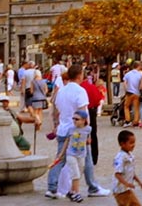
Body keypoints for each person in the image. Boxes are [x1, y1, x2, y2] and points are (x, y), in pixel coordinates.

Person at [45, 64, 105, 199]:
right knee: (87, 158)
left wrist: (55, 125)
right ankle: (92, 187)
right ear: (80, 75)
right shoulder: (80, 91)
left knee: (60, 158)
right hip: (77, 130)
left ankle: (52, 187)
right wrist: (87, 131)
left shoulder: (61, 91)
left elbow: (56, 110)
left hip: (63, 128)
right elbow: (83, 112)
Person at [50, 109, 93, 203]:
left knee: (79, 172)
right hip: (71, 154)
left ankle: (71, 191)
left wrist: (88, 142)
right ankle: (76, 193)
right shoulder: (71, 129)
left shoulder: (88, 129)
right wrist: (61, 154)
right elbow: (67, 141)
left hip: (81, 154)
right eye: (73, 119)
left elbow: (88, 139)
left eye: (77, 119)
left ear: (84, 120)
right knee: (75, 174)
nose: (74, 121)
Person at [112, 129, 142, 206]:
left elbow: (132, 172)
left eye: (134, 142)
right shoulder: (120, 158)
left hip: (126, 189)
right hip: (121, 191)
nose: (133, 145)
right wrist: (126, 183)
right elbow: (117, 174)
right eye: (131, 143)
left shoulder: (130, 156)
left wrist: (139, 182)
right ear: (122, 144)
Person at [122, 62, 142, 127]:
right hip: (137, 93)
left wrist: (126, 90)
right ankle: (136, 121)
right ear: (138, 66)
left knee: (126, 106)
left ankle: (127, 120)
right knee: (136, 108)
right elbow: (141, 86)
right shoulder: (140, 75)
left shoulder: (128, 74)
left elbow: (125, 83)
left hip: (129, 93)